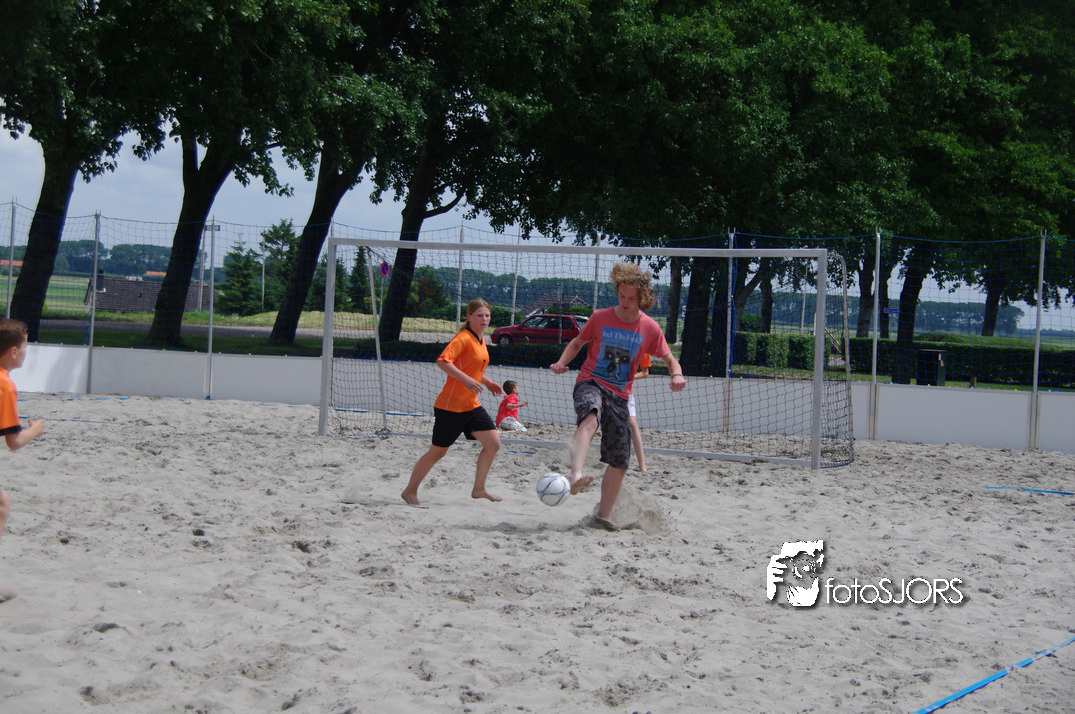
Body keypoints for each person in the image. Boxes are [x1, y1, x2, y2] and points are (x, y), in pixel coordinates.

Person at [550, 263, 685, 531]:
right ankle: (575, 475)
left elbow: (670, 359)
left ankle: (603, 517)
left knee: (621, 461)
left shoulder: (650, 327)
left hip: (621, 393)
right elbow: (577, 343)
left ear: (642, 298)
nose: (625, 302)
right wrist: (561, 362)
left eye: (631, 298)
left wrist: (677, 375)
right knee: (590, 416)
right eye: (621, 296)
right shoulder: (600, 317)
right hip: (591, 381)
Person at [402, 298, 503, 506]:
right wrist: (466, 380)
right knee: (438, 452)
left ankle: (479, 489)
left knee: (493, 444)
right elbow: (442, 362)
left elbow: (471, 368)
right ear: (469, 317)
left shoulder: (480, 339)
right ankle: (409, 491)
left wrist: (487, 382)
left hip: (471, 406)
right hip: (451, 407)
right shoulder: (463, 338)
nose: (484, 319)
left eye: (487, 315)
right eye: (479, 316)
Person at [0, 318, 45, 603]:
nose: (27, 352)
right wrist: (35, 430)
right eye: (26, 346)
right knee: (1, 505)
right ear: (14, 351)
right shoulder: (5, 386)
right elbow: (14, 442)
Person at [628, 353, 651, 471]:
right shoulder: (613, 344)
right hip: (606, 388)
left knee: (632, 423)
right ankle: (578, 456)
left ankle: (642, 466)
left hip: (626, 391)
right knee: (595, 421)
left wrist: (630, 377)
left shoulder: (643, 349)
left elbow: (645, 373)